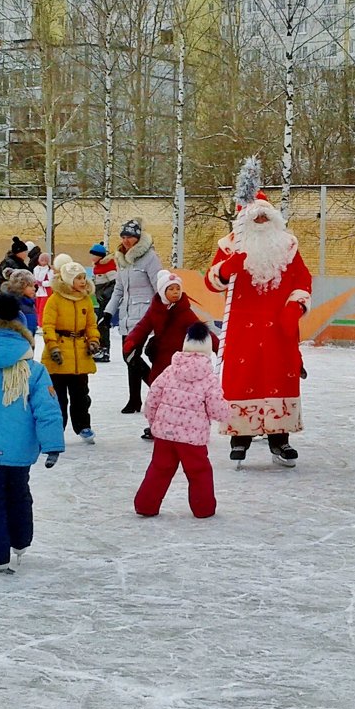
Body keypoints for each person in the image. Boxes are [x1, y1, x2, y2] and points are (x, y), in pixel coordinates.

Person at [204, 160, 312, 467]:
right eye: (257, 218)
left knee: (279, 378)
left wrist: (295, 306)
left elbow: (303, 280)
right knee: (243, 378)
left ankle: (280, 439)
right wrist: (227, 269)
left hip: (280, 327)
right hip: (243, 328)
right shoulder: (230, 246)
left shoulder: (288, 246)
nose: (262, 221)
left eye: (266, 217)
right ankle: (241, 438)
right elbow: (211, 282)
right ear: (245, 220)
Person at [0, 293, 64, 573]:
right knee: (18, 494)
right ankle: (19, 540)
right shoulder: (34, 370)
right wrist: (52, 444)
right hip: (19, 451)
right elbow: (48, 409)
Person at [134, 323, 231, 518]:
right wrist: (228, 413)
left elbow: (153, 396)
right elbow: (216, 408)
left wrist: (154, 422)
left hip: (164, 435)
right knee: (199, 471)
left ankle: (145, 505)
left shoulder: (170, 370)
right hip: (192, 439)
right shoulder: (209, 378)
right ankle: (203, 508)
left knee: (159, 469)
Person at [123, 269, 219, 440]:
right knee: (157, 391)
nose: (175, 292)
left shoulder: (184, 311)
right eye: (171, 289)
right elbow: (143, 327)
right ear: (162, 291)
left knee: (178, 395)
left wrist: (218, 347)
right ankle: (156, 425)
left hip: (179, 362)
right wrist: (131, 341)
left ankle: (183, 424)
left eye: (177, 288)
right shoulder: (155, 309)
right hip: (160, 358)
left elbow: (202, 330)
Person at [101, 220, 162, 413]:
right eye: (124, 237)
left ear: (138, 238)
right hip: (127, 316)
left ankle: (159, 389)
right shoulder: (122, 259)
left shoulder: (150, 257)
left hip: (145, 316)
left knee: (133, 356)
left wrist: (159, 315)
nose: (126, 241)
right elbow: (119, 289)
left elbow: (159, 287)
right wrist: (108, 312)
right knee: (129, 358)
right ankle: (134, 399)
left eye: (131, 237)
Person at [42, 260, 100, 443]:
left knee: (81, 395)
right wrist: (53, 346)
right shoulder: (55, 300)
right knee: (58, 397)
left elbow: (91, 324)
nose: (83, 281)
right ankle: (56, 430)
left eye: (84, 277)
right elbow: (48, 325)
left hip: (80, 354)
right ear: (68, 281)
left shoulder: (85, 299)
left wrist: (93, 340)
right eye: (78, 278)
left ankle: (83, 426)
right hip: (59, 352)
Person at [90, 243, 117, 362]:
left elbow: (115, 283)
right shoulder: (97, 267)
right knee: (100, 325)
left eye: (93, 254)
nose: (91, 257)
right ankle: (100, 349)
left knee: (102, 325)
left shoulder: (108, 266)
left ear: (99, 256)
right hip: (102, 301)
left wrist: (105, 295)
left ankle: (104, 351)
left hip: (106, 302)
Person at [1, 268, 39, 336]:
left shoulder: (29, 303)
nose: (34, 288)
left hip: (28, 342)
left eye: (34, 285)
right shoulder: (12, 305)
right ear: (20, 286)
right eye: (30, 286)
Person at [32, 252, 53, 322]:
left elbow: (51, 282)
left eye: (45, 261)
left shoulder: (49, 270)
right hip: (37, 292)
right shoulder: (36, 269)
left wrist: (42, 283)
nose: (43, 262)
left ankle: (42, 323)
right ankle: (38, 323)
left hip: (45, 293)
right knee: (37, 308)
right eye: (42, 260)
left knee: (42, 309)